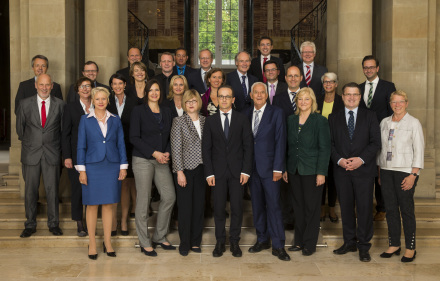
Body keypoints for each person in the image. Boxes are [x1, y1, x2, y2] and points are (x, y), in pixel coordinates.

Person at [329, 82, 381, 262]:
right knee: (346, 208)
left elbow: (375, 143)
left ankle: (364, 246)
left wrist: (360, 160)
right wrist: (340, 161)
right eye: (348, 94)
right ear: (342, 97)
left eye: (355, 95)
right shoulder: (333, 118)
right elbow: (330, 144)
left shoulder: (371, 116)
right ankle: (349, 242)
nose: (351, 98)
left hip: (364, 171)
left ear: (360, 97)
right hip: (342, 171)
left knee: (365, 209)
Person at [202, 85, 253, 258]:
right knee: (218, 209)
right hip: (217, 174)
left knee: (237, 209)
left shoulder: (242, 119)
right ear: (217, 99)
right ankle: (219, 242)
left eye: (227, 96)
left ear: (233, 99)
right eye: (221, 96)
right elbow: (206, 149)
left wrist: (246, 171)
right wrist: (209, 173)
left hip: (238, 173)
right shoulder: (210, 121)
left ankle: (234, 242)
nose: (224, 99)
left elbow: (248, 147)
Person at [130, 79, 176, 257]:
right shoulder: (138, 111)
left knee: (169, 196)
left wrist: (167, 153)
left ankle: (159, 236)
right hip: (143, 159)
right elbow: (134, 137)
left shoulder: (166, 111)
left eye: (157, 90)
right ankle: (144, 241)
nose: (154, 93)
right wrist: (154, 152)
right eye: (151, 90)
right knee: (144, 199)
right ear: (146, 92)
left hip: (162, 160)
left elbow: (171, 135)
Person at [377, 90, 424, 263]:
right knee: (390, 209)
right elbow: (381, 150)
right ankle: (394, 244)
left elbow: (419, 150)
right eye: (394, 102)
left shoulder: (414, 123)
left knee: (406, 210)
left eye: (400, 102)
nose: (397, 105)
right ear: (390, 104)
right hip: (387, 170)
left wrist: (413, 174)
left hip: (406, 171)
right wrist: (380, 171)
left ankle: (411, 247)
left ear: (406, 103)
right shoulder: (384, 122)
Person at [283, 87, 331, 256]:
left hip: (312, 170)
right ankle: (299, 241)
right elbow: (288, 147)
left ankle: (310, 243)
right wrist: (286, 169)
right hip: (294, 169)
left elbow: (325, 148)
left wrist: (321, 172)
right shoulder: (291, 120)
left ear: (312, 101)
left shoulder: (320, 121)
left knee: (312, 208)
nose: (303, 102)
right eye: (300, 99)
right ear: (296, 102)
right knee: (298, 207)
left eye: (307, 99)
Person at [16, 74, 65, 238]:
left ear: (52, 86)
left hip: (52, 153)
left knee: (52, 190)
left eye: (47, 85)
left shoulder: (60, 105)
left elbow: (63, 130)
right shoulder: (24, 104)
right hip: (31, 153)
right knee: (30, 191)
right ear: (36, 85)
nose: (44, 88)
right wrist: (33, 142)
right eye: (41, 84)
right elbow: (20, 130)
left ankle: (54, 224)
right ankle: (30, 224)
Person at [245, 82, 290, 261]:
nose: (259, 95)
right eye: (256, 92)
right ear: (251, 95)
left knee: (274, 206)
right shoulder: (245, 113)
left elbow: (281, 141)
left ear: (267, 95)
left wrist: (279, 168)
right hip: (251, 170)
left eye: (262, 92)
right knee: (257, 206)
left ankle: (278, 245)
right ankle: (262, 239)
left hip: (271, 169)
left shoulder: (276, 113)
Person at [359, 55, 397, 222]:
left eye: (371, 67)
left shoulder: (388, 86)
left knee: (381, 173)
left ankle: (381, 208)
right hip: (363, 139)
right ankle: (365, 207)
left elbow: (393, 112)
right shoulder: (359, 88)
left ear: (377, 68)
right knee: (366, 172)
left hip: (383, 136)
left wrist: (391, 137)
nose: (368, 70)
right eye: (366, 67)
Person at [170, 89, 206, 256]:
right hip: (185, 170)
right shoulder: (179, 121)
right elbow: (176, 149)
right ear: (184, 104)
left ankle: (195, 241)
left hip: (203, 170)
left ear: (198, 103)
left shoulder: (206, 121)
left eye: (194, 101)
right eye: (188, 101)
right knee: (185, 208)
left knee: (199, 207)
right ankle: (184, 242)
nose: (191, 104)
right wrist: (179, 171)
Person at [62, 77, 94, 237]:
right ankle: (79, 223)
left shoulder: (99, 105)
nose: (85, 89)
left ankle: (90, 220)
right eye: (82, 86)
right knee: (77, 190)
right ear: (77, 90)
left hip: (95, 157)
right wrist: (67, 156)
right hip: (76, 157)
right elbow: (65, 134)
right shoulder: (70, 108)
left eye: (88, 86)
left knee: (91, 189)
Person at [107, 73, 139, 236]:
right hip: (110, 149)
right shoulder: (105, 101)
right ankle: (113, 222)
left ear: (125, 84)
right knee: (113, 185)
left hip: (130, 147)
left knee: (126, 184)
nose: (117, 86)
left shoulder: (134, 101)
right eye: (114, 84)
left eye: (120, 83)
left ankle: (124, 221)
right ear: (111, 86)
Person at [272, 65, 303, 230]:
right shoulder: (278, 98)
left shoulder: (307, 95)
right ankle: (287, 220)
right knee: (285, 188)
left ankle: (299, 220)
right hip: (284, 148)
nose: (293, 78)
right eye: (290, 76)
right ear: (285, 78)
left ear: (301, 77)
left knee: (300, 189)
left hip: (304, 150)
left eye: (296, 76)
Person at [317, 72, 344, 223]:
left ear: (336, 84)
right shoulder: (318, 101)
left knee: (333, 178)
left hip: (336, 145)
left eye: (331, 82)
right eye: (325, 82)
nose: (328, 84)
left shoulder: (341, 101)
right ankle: (321, 208)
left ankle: (332, 208)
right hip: (319, 145)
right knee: (321, 176)